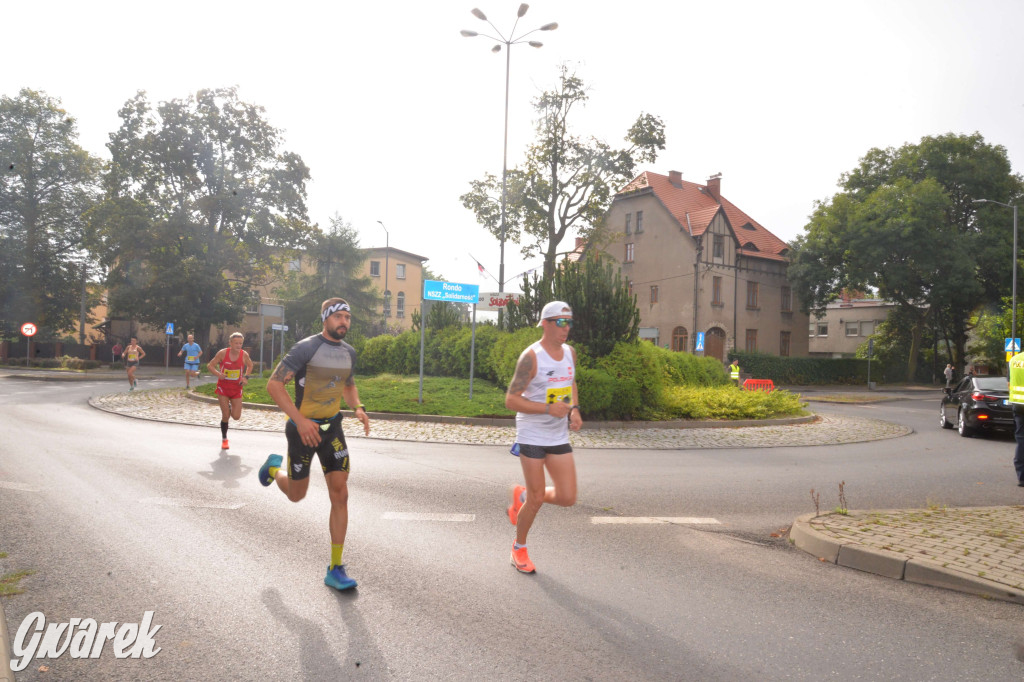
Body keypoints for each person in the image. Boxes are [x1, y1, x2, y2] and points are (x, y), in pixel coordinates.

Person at [257, 298, 371, 591]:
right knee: (297, 495)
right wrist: (299, 420)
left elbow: (347, 384)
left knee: (340, 493)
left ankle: (336, 567)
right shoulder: (306, 348)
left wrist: (357, 406)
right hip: (301, 429)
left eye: (348, 317)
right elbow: (274, 384)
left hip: (332, 428)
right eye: (339, 317)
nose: (344, 322)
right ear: (326, 319)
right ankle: (273, 472)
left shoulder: (349, 353)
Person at [504, 300, 582, 574]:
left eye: (570, 322)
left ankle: (522, 497)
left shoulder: (570, 352)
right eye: (561, 322)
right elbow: (511, 400)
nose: (566, 328)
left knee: (568, 496)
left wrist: (574, 409)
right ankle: (519, 549)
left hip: (557, 433)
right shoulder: (531, 357)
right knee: (538, 499)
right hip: (532, 433)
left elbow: (571, 382)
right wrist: (548, 408)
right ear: (545, 324)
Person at [207, 332, 254, 451]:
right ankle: (224, 439)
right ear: (230, 343)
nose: (239, 345)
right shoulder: (223, 353)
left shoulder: (244, 354)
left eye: (241, 343)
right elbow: (210, 366)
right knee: (226, 415)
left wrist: (246, 377)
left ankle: (229, 406)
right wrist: (218, 374)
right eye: (236, 343)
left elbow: (250, 365)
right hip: (223, 388)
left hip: (237, 388)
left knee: (236, 417)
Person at [1008, 352, 1024, 488]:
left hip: (1018, 405)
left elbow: (1009, 382)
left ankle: (1022, 477)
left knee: (1021, 440)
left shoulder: (1014, 360)